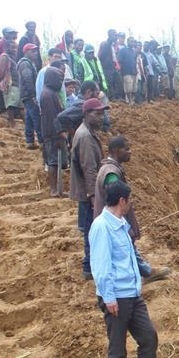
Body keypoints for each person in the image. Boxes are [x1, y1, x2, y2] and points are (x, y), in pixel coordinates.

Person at [89, 180, 173, 358]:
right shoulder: (101, 227)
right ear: (122, 201)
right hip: (116, 297)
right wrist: (109, 297)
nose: (130, 205)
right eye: (129, 201)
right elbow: (101, 266)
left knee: (148, 337)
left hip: (133, 293)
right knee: (118, 346)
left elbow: (130, 257)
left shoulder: (120, 223)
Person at [94, 135, 171, 282]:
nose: (130, 152)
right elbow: (116, 201)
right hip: (113, 221)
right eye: (127, 149)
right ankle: (142, 274)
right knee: (124, 247)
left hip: (112, 219)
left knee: (128, 247)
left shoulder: (111, 169)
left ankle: (145, 271)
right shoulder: (111, 174)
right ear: (116, 150)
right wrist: (124, 223)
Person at [70, 98, 108, 279]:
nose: (101, 117)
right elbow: (89, 169)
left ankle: (90, 265)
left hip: (87, 192)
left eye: (102, 114)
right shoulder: (85, 137)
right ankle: (89, 267)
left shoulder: (88, 132)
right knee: (91, 230)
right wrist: (95, 197)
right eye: (97, 114)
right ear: (86, 115)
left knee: (90, 228)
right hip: (89, 194)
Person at [40, 67, 67, 195]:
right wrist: (60, 132)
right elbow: (52, 117)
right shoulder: (48, 95)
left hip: (53, 132)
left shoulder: (50, 93)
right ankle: (53, 189)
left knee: (56, 161)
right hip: (52, 134)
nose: (60, 82)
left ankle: (57, 189)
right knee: (53, 161)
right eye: (59, 79)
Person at [17, 43, 42, 150]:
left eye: (36, 51)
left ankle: (30, 141)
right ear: (26, 52)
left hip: (26, 94)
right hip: (29, 94)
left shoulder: (26, 63)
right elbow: (28, 79)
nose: (35, 53)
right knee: (36, 117)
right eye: (33, 51)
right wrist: (33, 95)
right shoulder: (25, 64)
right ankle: (42, 141)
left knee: (29, 118)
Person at [0, 40, 21, 127]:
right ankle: (12, 123)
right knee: (11, 104)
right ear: (7, 47)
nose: (14, 50)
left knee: (18, 104)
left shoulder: (14, 57)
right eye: (12, 47)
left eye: (15, 48)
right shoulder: (4, 56)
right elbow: (0, 72)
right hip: (10, 83)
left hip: (16, 83)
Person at [98, 29, 119, 100]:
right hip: (107, 68)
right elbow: (101, 57)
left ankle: (114, 97)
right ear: (109, 35)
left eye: (116, 35)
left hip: (113, 67)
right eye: (114, 35)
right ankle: (111, 98)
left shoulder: (112, 45)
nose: (116, 37)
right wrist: (107, 63)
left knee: (114, 82)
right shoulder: (106, 44)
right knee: (109, 83)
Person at [118, 38, 137, 104]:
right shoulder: (122, 50)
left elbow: (135, 61)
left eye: (133, 42)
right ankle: (130, 101)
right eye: (131, 41)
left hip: (134, 72)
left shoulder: (134, 51)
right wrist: (120, 71)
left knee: (134, 88)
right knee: (128, 88)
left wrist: (136, 71)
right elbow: (119, 61)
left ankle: (132, 101)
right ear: (127, 42)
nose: (132, 43)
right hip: (126, 72)